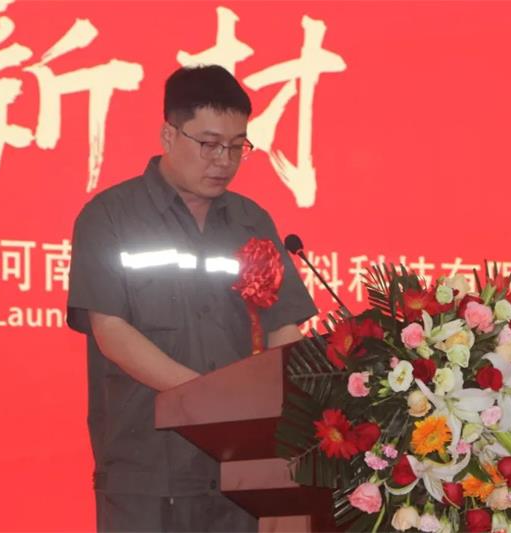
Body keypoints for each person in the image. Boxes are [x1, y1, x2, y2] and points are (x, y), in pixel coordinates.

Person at [66, 65, 318, 532]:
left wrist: (286, 413)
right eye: (209, 144)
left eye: (237, 146)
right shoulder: (110, 217)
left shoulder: (252, 221)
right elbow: (112, 333)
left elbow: (284, 326)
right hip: (147, 467)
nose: (224, 160)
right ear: (169, 134)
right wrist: (208, 401)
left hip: (240, 471)